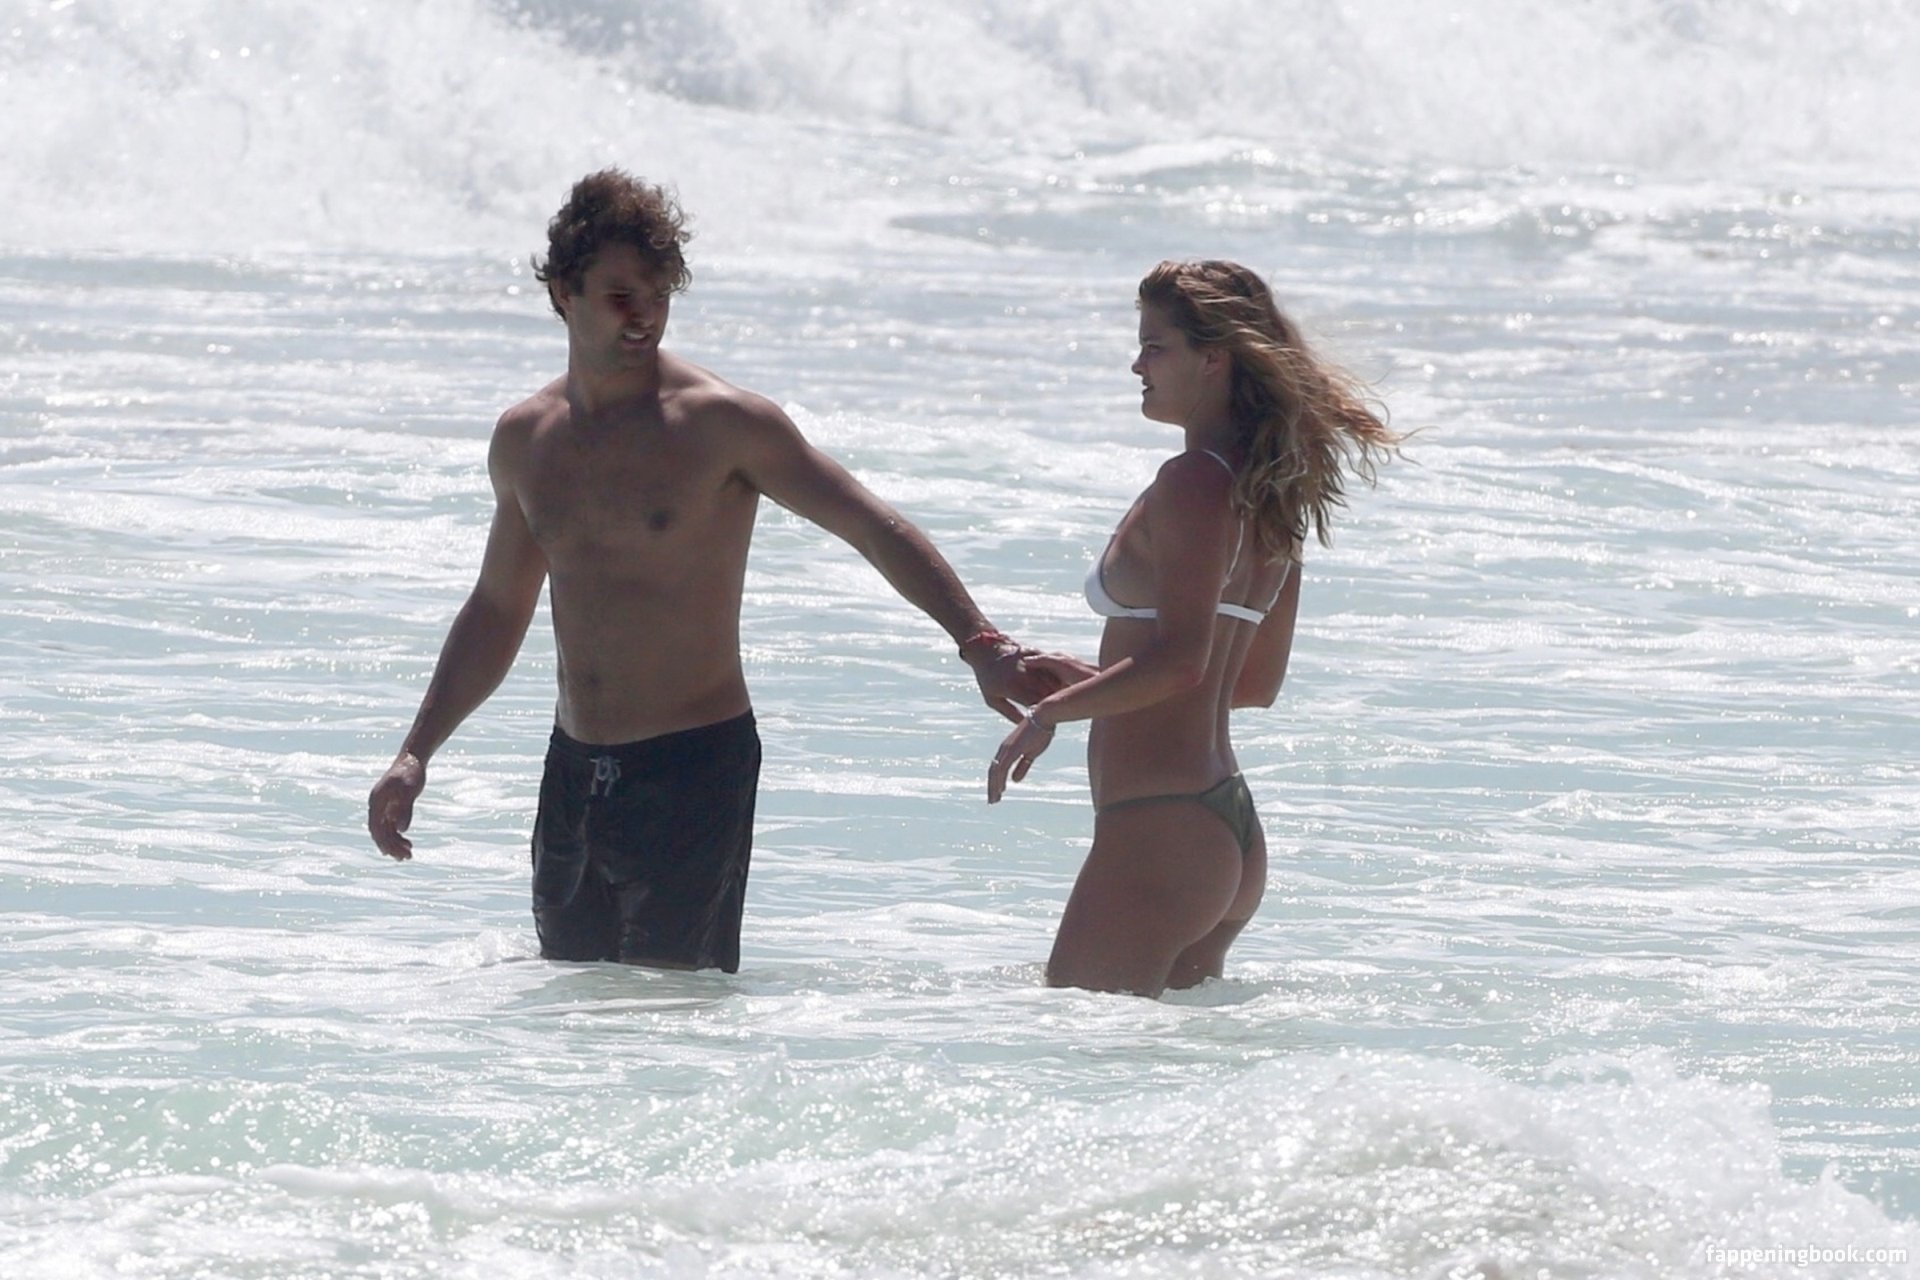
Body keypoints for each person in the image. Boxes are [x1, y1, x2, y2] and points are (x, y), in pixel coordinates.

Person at [369, 169, 1052, 973]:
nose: (645, 314)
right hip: (574, 770)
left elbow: (871, 526)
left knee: (671, 1014)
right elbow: (497, 606)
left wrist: (981, 643)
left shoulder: (720, 425)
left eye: (660, 294)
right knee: (572, 1011)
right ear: (563, 292)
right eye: (621, 295)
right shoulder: (527, 441)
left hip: (692, 770)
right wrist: (417, 751)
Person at [987, 259, 1398, 997]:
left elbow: (1183, 662)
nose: (1137, 365)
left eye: (1155, 347)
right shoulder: (1272, 493)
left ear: (1214, 359)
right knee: (1163, 1055)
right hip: (1222, 825)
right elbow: (1249, 682)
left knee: (1077, 1045)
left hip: (1160, 829)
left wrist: (1050, 713)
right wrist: (1095, 682)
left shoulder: (1193, 481)